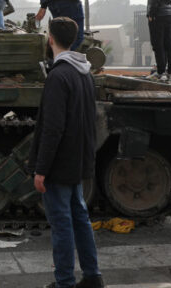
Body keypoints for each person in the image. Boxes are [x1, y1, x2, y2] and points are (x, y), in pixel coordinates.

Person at [29, 17, 103, 288]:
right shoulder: (84, 73)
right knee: (80, 218)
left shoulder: (58, 76)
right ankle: (93, 277)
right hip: (78, 158)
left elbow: (52, 128)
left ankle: (64, 282)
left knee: (61, 223)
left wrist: (41, 169)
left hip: (59, 164)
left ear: (50, 39)